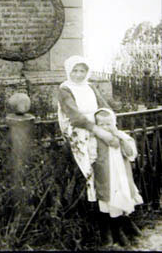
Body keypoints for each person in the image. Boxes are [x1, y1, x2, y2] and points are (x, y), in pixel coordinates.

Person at [57, 55, 142, 246]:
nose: (79, 75)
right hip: (83, 133)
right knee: (97, 179)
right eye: (75, 71)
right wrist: (99, 132)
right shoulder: (65, 89)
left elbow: (105, 107)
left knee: (115, 173)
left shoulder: (90, 86)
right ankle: (107, 230)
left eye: (82, 71)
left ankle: (122, 223)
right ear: (69, 71)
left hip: (100, 128)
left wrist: (109, 125)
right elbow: (75, 116)